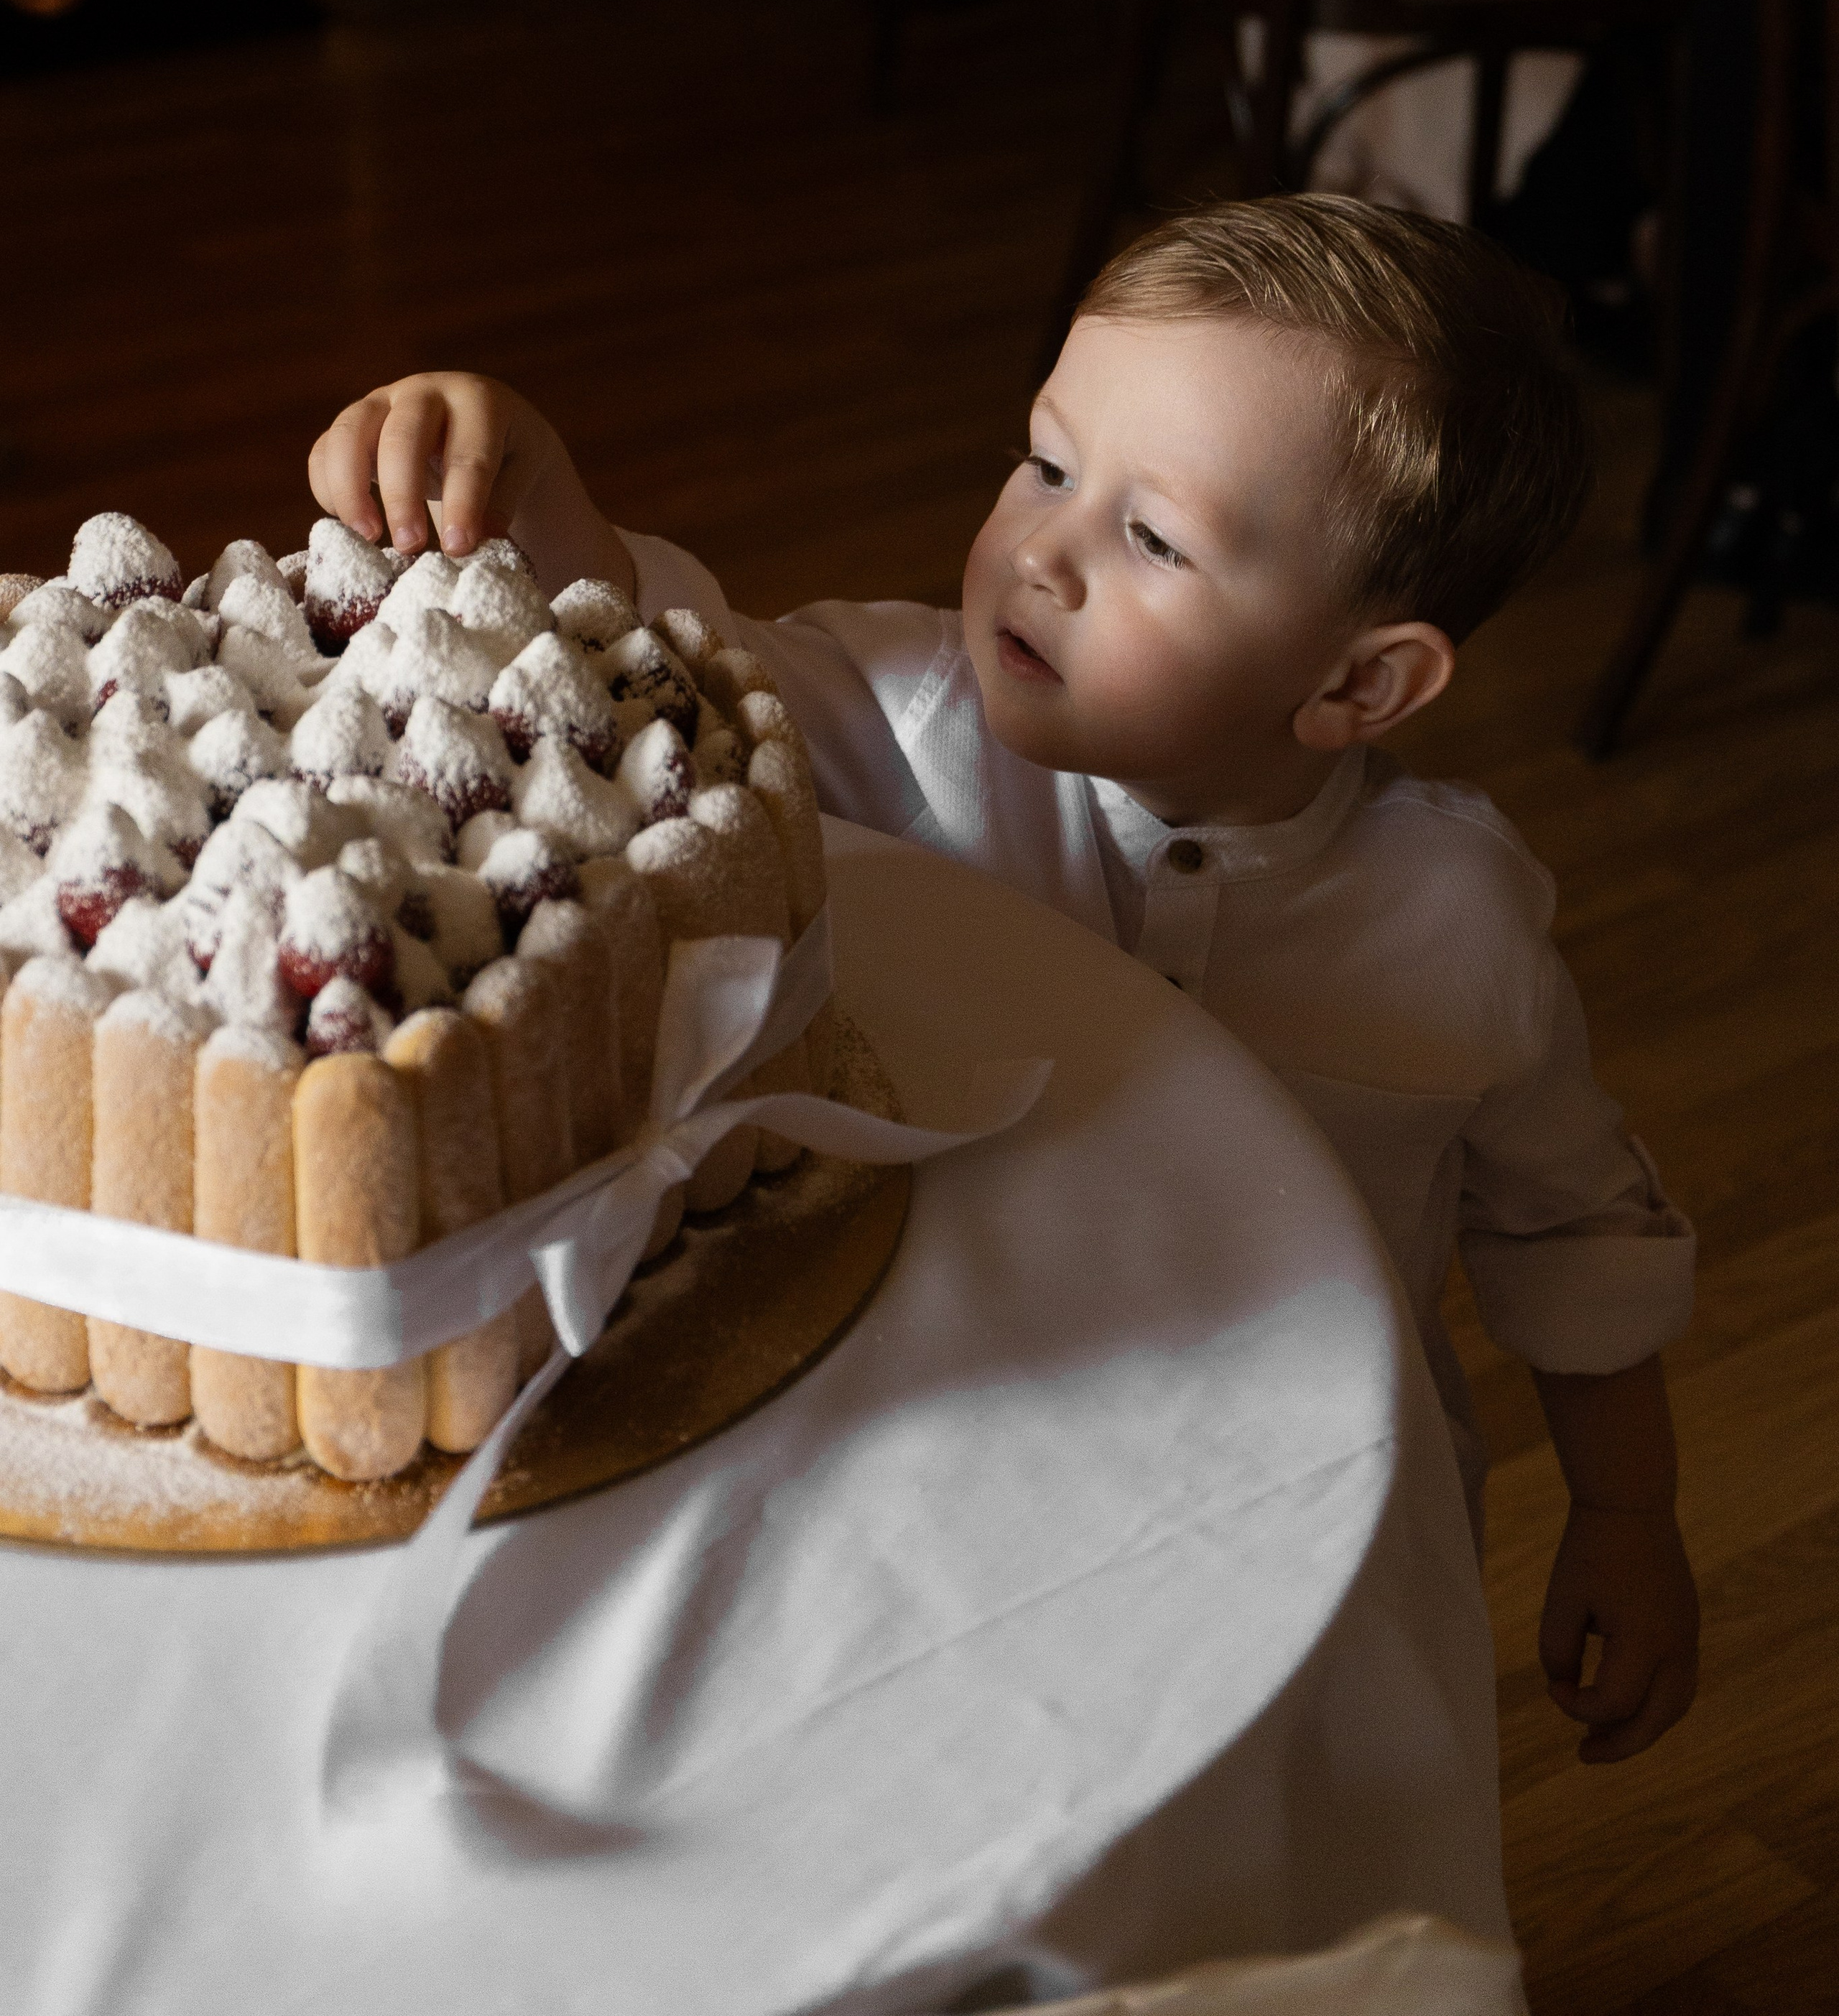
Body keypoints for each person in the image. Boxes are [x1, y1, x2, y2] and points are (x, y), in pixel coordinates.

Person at [309, 194, 1700, 1765]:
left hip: (1310, 1517)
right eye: (1047, 461)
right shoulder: (904, 711)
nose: (1039, 550)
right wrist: (534, 485)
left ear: (1357, 682)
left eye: (1150, 535)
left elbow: (1573, 1227)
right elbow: (665, 669)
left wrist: (1626, 1512)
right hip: (945, 1473)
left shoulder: (1454, 930)